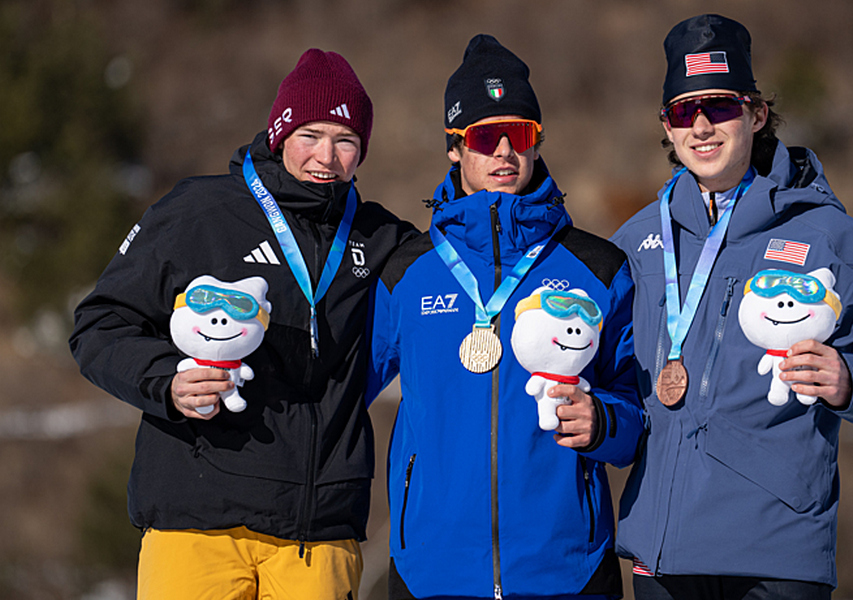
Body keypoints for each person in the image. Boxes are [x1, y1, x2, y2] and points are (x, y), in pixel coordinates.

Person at [69, 48, 416, 599]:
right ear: (279, 133)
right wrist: (166, 379)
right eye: (311, 135)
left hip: (318, 529)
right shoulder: (199, 210)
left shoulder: (380, 239)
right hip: (197, 518)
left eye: (345, 140)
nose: (326, 156)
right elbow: (98, 324)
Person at [611, 14, 853, 600]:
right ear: (667, 126)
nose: (703, 125)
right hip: (662, 554)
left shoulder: (823, 233)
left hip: (774, 555)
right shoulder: (638, 241)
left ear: (757, 114)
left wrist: (849, 379)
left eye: (721, 106)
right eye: (685, 111)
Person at [367, 34, 644, 599]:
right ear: (454, 146)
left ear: (537, 143)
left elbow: (642, 412)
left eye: (517, 135)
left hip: (566, 572)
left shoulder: (599, 267)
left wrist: (605, 423)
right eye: (483, 136)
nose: (503, 152)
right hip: (433, 573)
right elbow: (340, 396)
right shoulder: (406, 273)